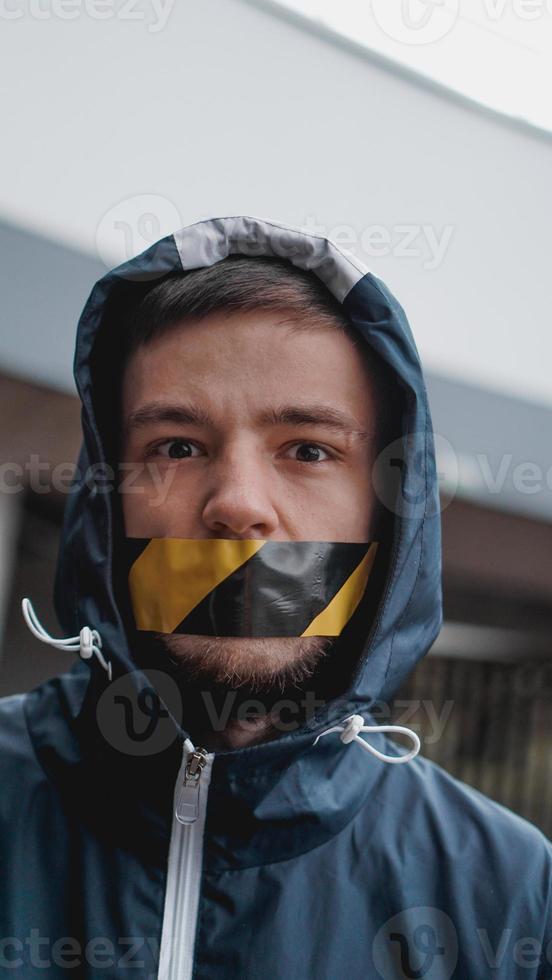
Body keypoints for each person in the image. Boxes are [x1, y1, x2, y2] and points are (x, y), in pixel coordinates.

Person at [0, 214, 550, 979]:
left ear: (387, 513)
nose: (238, 503)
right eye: (177, 447)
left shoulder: (511, 892)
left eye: (309, 450)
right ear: (108, 500)